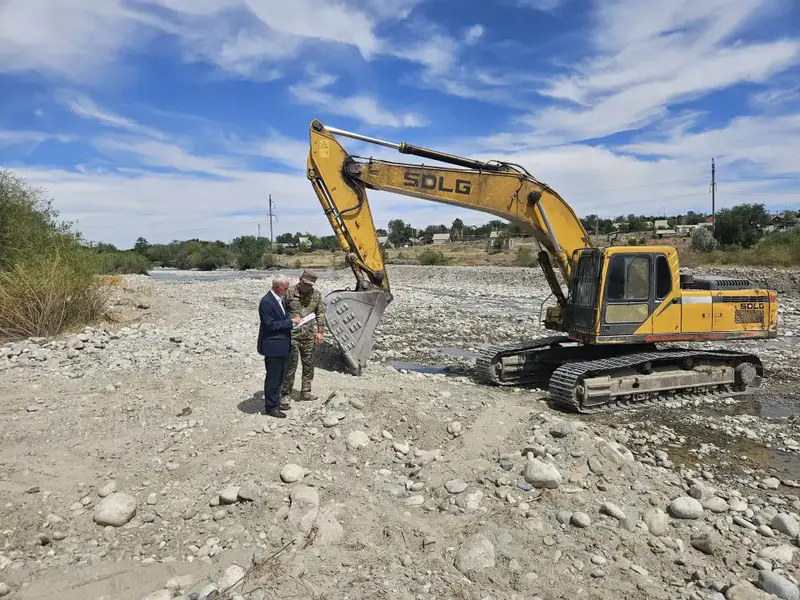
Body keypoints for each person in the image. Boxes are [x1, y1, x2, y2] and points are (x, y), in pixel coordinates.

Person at [257, 274, 301, 418]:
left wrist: (291, 322)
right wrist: (290, 322)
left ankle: (276, 401)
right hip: (273, 347)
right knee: (273, 378)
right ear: (277, 287)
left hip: (280, 346)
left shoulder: (278, 300)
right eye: (285, 288)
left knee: (280, 376)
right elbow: (269, 325)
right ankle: (271, 407)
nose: (287, 290)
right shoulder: (266, 302)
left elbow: (280, 319)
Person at [281, 269, 326, 402]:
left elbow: (320, 314)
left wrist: (320, 332)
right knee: (290, 365)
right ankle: (286, 393)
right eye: (306, 283)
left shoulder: (316, 295)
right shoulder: (288, 293)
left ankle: (306, 392)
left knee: (309, 365)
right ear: (300, 280)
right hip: (292, 336)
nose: (307, 287)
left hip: (308, 336)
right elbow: (281, 312)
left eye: (310, 285)